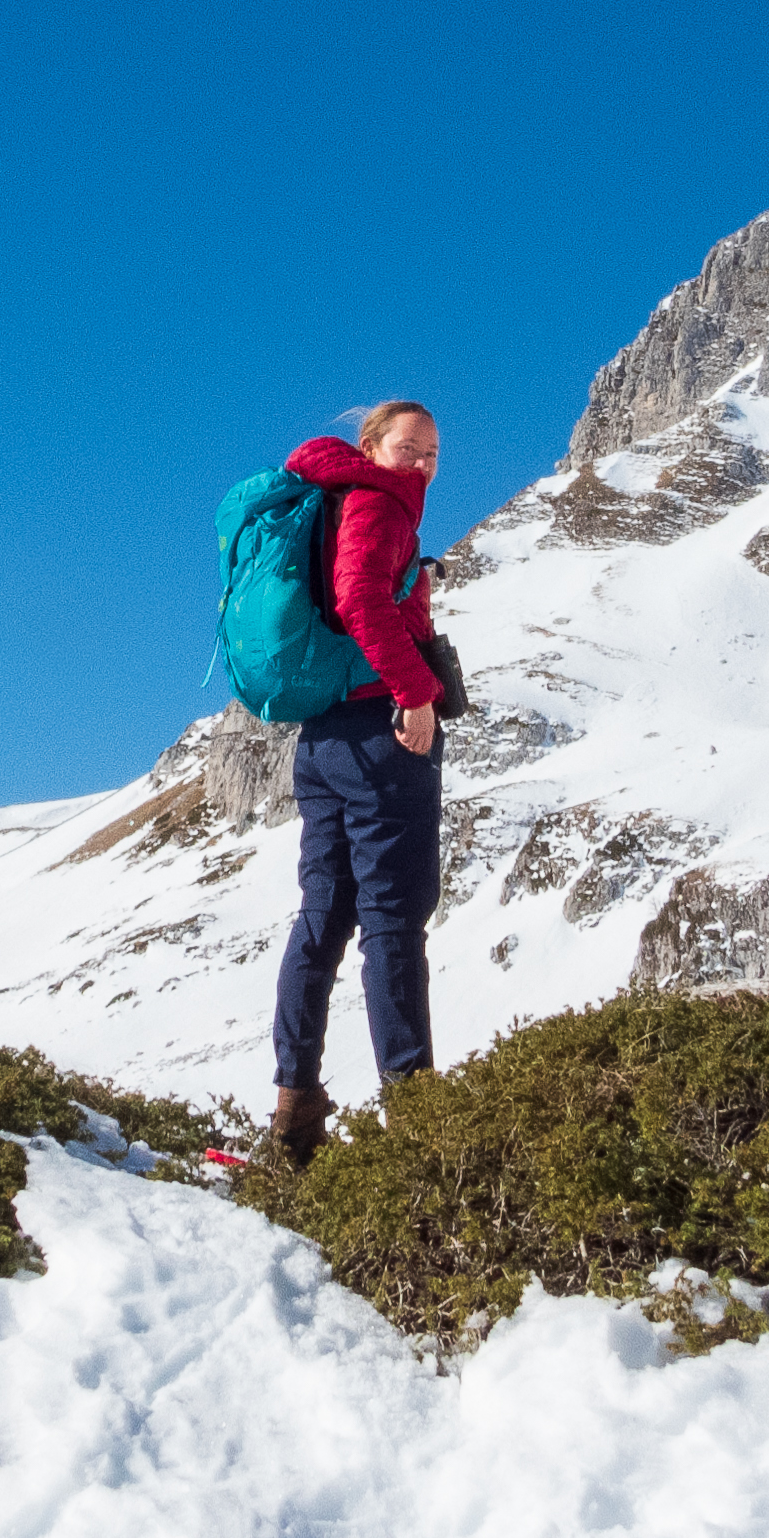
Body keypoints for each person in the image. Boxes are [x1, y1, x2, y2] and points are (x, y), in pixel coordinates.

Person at [268, 399, 448, 1162]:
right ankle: (416, 1123)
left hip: (324, 741)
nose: (423, 464)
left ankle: (294, 1111)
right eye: (409, 448)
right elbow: (360, 599)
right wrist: (414, 692)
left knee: (323, 917)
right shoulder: (377, 503)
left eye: (433, 454)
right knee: (392, 921)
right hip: (381, 736)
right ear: (369, 445)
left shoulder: (337, 497)